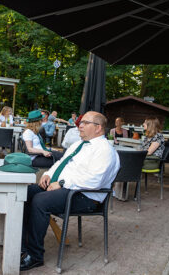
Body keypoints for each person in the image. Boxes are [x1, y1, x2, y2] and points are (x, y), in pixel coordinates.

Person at [20, 111, 120, 271]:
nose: (79, 125)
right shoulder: (78, 144)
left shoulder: (105, 150)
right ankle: (23, 246)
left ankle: (35, 255)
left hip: (85, 197)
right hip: (67, 189)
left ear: (98, 128)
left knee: (40, 201)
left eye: (85, 122)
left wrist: (62, 183)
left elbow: (95, 180)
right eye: (80, 121)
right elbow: (60, 164)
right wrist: (47, 174)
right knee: (25, 193)